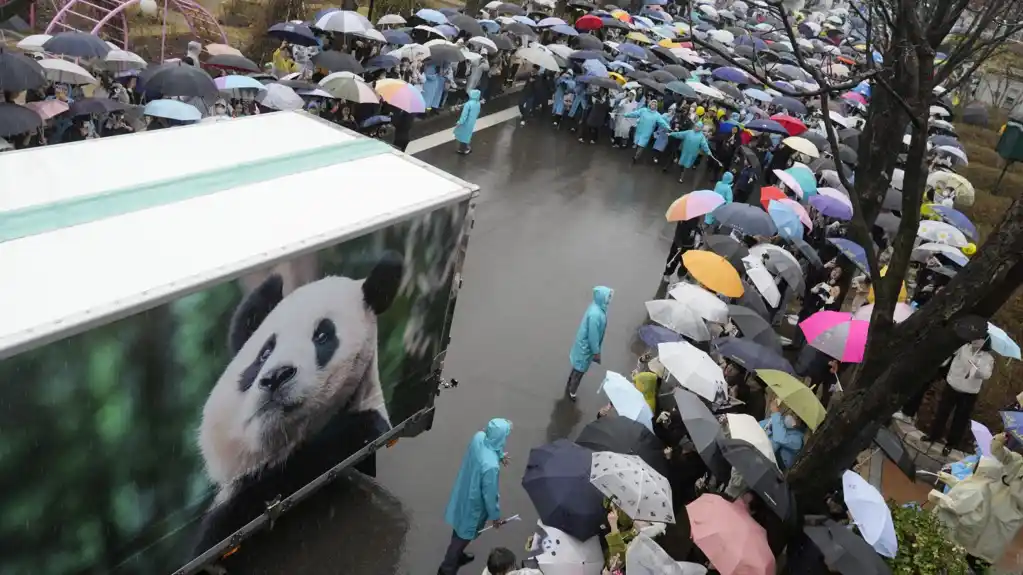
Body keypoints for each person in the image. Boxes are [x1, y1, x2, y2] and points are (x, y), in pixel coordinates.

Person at [441, 418, 512, 575]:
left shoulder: (479, 437)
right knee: (462, 537)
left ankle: (456, 557)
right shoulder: (491, 468)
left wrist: (499, 455)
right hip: (474, 506)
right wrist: (496, 517)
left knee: (459, 530)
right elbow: (490, 496)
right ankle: (447, 569)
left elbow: (488, 446)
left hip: (463, 493)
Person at [924, 339, 995, 456]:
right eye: (975, 338)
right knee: (942, 411)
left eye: (979, 340)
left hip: (969, 392)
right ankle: (934, 435)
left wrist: (976, 368)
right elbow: (951, 352)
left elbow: (987, 374)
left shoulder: (987, 358)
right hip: (953, 384)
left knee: (960, 419)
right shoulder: (963, 347)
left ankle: (951, 443)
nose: (976, 341)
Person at [566, 286, 613, 400]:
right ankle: (572, 391)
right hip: (585, 348)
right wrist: (596, 351)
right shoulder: (596, 315)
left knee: (577, 367)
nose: (609, 299)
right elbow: (593, 336)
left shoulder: (596, 308)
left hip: (583, 345)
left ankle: (570, 382)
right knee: (580, 370)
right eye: (608, 296)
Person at [762, 399, 806, 470]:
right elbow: (760, 425)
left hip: (776, 467)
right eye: (792, 413)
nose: (790, 416)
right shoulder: (783, 423)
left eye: (796, 416)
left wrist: (775, 413)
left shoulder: (798, 441)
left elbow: (780, 439)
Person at [662, 216, 700, 282]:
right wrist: (679, 244)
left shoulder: (697, 218)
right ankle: (667, 274)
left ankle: (681, 275)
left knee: (686, 263)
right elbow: (678, 232)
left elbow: (696, 229)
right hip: (680, 244)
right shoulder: (683, 219)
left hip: (690, 245)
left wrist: (698, 236)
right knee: (673, 259)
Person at [455, 90, 482, 155]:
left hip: (465, 122)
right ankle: (464, 148)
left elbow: (464, 115)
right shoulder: (478, 103)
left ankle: (463, 149)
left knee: (462, 135)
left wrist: (460, 122)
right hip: (472, 122)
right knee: (467, 135)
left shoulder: (468, 104)